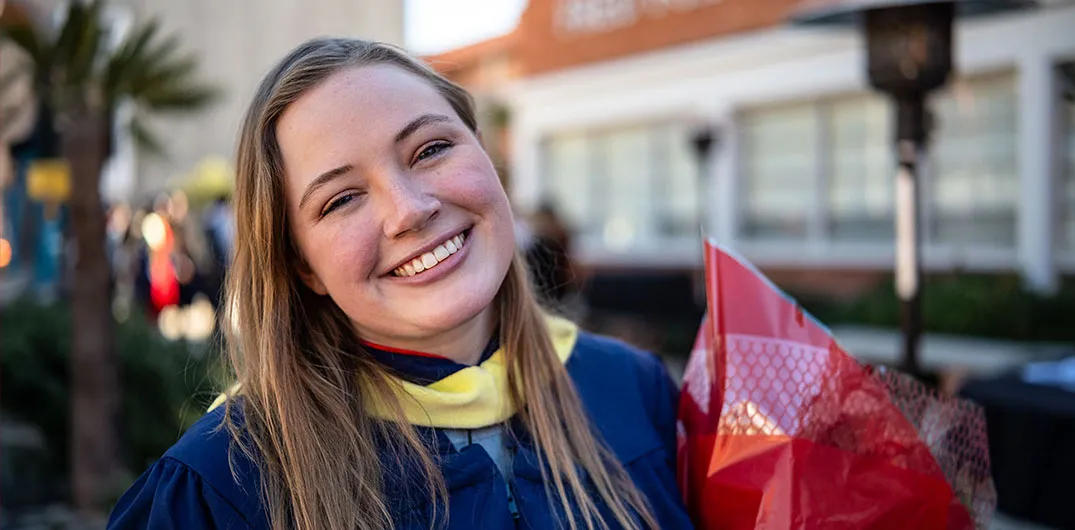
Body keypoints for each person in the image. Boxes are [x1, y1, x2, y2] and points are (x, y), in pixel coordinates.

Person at [108, 38, 692, 530]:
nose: (409, 210)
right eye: (341, 199)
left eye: (431, 149)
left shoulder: (635, 392)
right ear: (301, 264)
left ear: (486, 157)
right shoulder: (223, 485)